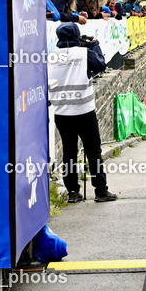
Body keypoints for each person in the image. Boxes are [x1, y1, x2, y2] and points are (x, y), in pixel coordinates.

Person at [48, 23, 117, 203]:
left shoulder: (50, 56)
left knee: (69, 152)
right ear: (77, 35)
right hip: (84, 110)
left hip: (62, 112)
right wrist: (94, 45)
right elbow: (100, 65)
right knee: (93, 151)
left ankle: (72, 192)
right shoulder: (83, 53)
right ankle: (101, 191)